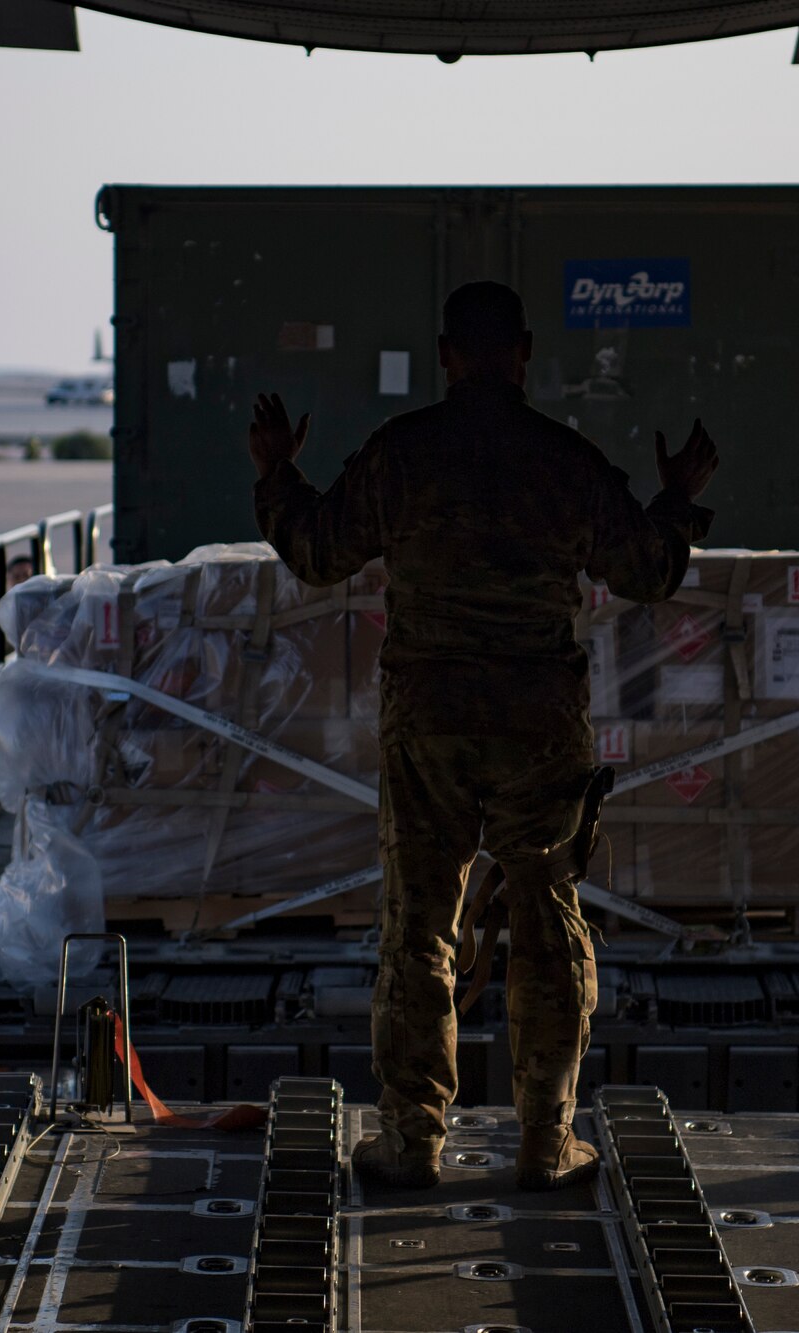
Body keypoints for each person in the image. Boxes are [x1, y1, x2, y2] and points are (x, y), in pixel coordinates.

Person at [249, 280, 719, 1192]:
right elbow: (648, 570)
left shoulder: (401, 457)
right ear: (527, 351)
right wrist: (676, 497)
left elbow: (316, 550)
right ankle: (547, 1141)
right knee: (546, 919)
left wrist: (276, 474)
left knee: (419, 927)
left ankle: (413, 1139)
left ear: (446, 354)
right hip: (538, 721)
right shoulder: (564, 462)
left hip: (428, 718)